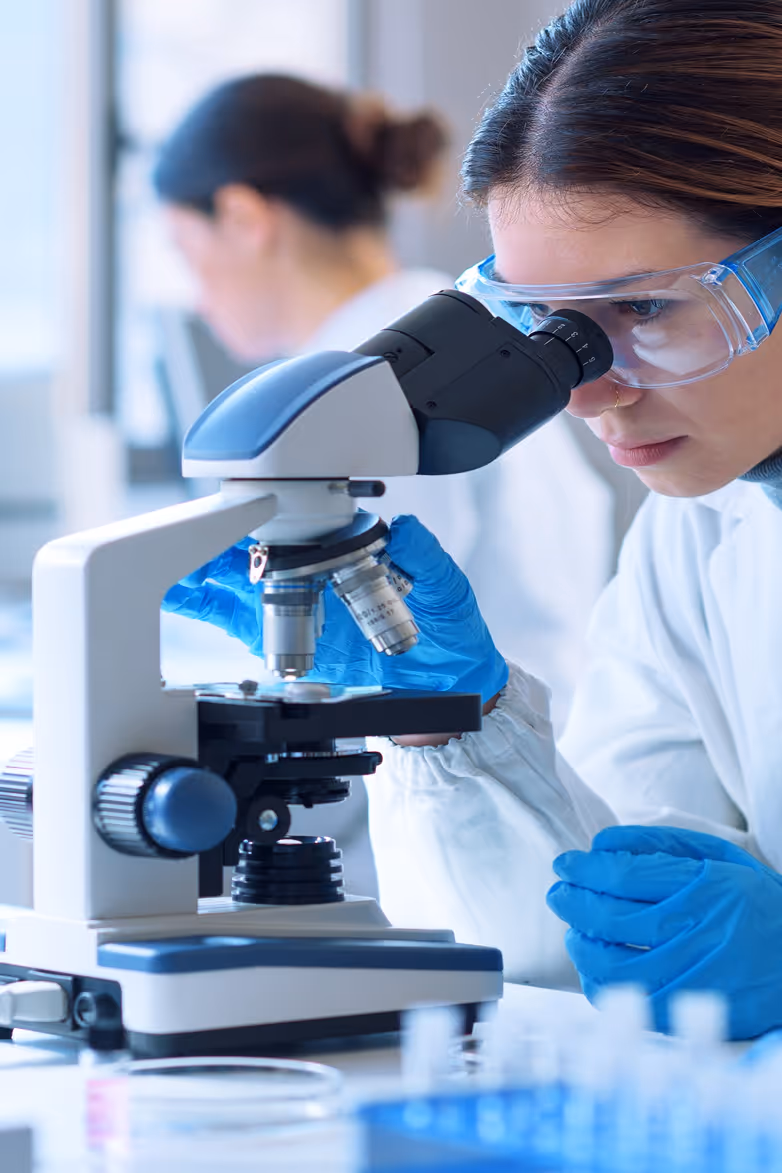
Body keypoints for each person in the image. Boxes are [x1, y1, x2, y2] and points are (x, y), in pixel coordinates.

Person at [165, 0, 782, 1038]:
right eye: (551, 331)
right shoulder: (706, 530)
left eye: (641, 311)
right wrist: (456, 730)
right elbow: (591, 932)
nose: (585, 395)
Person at [155, 73, 642, 900]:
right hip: (514, 788)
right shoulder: (432, 353)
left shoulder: (366, 393)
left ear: (242, 216)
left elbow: (368, 618)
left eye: (187, 256)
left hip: (478, 815)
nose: (196, 298)